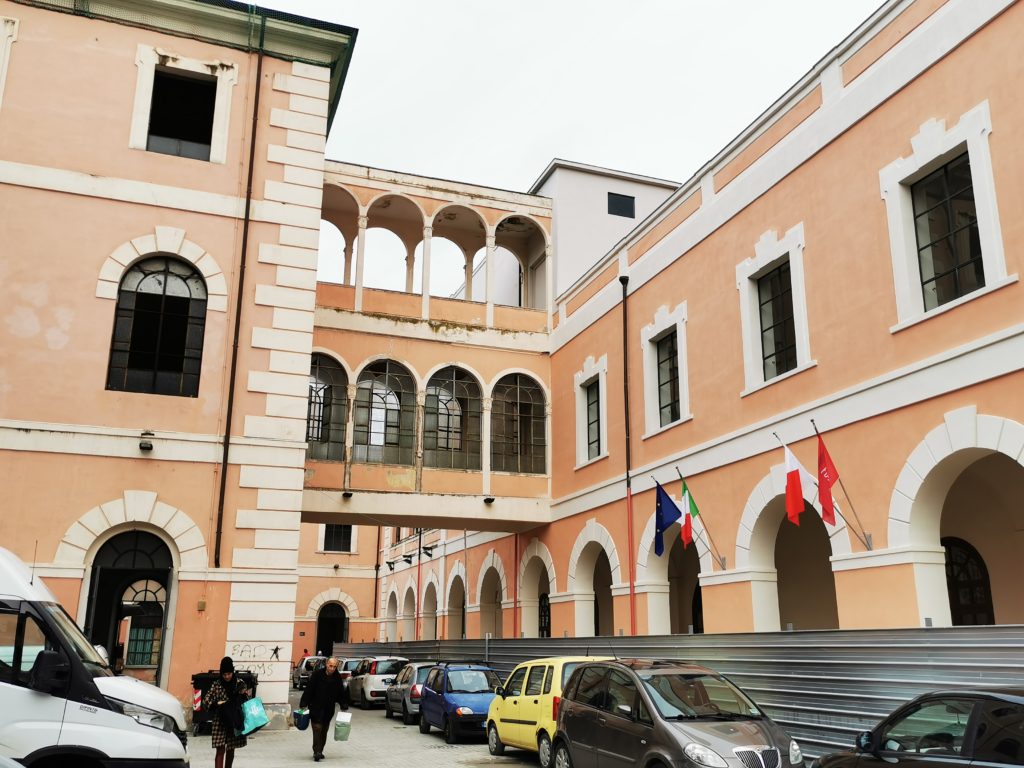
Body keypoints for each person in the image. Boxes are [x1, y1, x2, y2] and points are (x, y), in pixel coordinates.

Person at [299, 656, 349, 762]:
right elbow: (309, 689)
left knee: (324, 730)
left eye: (334, 667)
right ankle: (316, 751)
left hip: (328, 709)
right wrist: (304, 703)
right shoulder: (317, 674)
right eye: (330, 666)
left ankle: (320, 750)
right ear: (326, 664)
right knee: (317, 728)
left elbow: (341, 692)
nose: (332, 668)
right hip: (315, 707)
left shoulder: (337, 677)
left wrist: (343, 704)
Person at [203, 656, 249, 768]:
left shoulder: (239, 683)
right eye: (224, 674)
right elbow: (205, 701)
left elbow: (246, 700)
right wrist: (216, 703)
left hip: (234, 720)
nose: (227, 676)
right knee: (220, 749)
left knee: (231, 748)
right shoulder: (217, 684)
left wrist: (243, 695)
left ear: (232, 672)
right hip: (220, 720)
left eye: (229, 673)